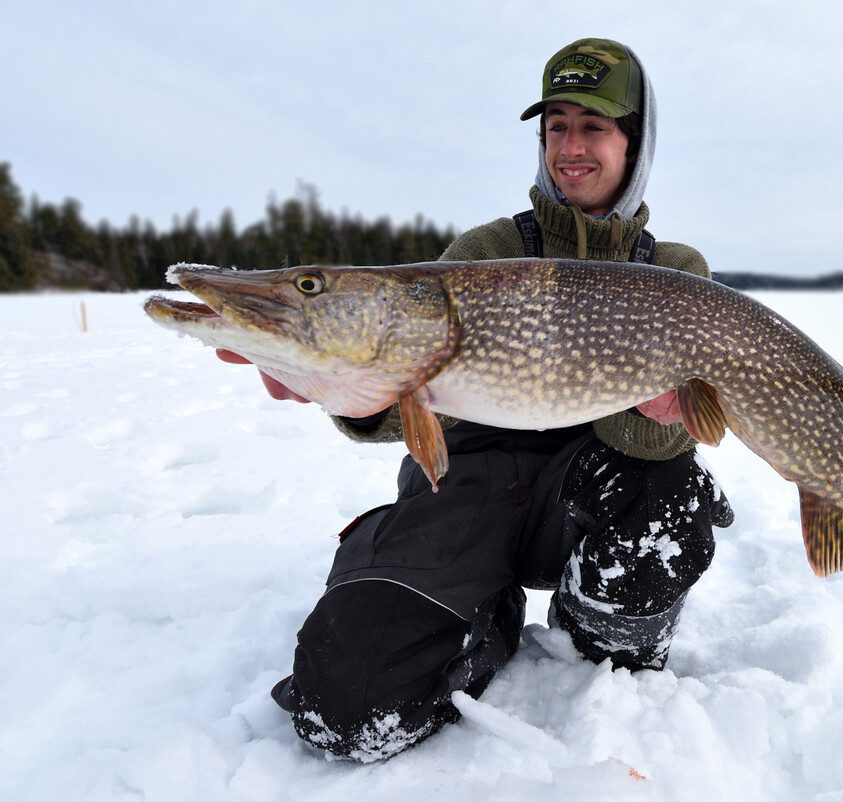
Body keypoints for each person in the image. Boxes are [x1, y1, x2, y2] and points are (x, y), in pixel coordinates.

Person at [220, 37, 733, 762]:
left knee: (672, 496)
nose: (571, 146)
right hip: (468, 481)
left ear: (634, 142)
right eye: (557, 126)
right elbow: (410, 403)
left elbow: (663, 443)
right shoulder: (485, 250)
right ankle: (481, 611)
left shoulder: (674, 272)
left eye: (594, 126)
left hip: (586, 485)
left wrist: (658, 418)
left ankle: (595, 628)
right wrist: (347, 389)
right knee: (344, 710)